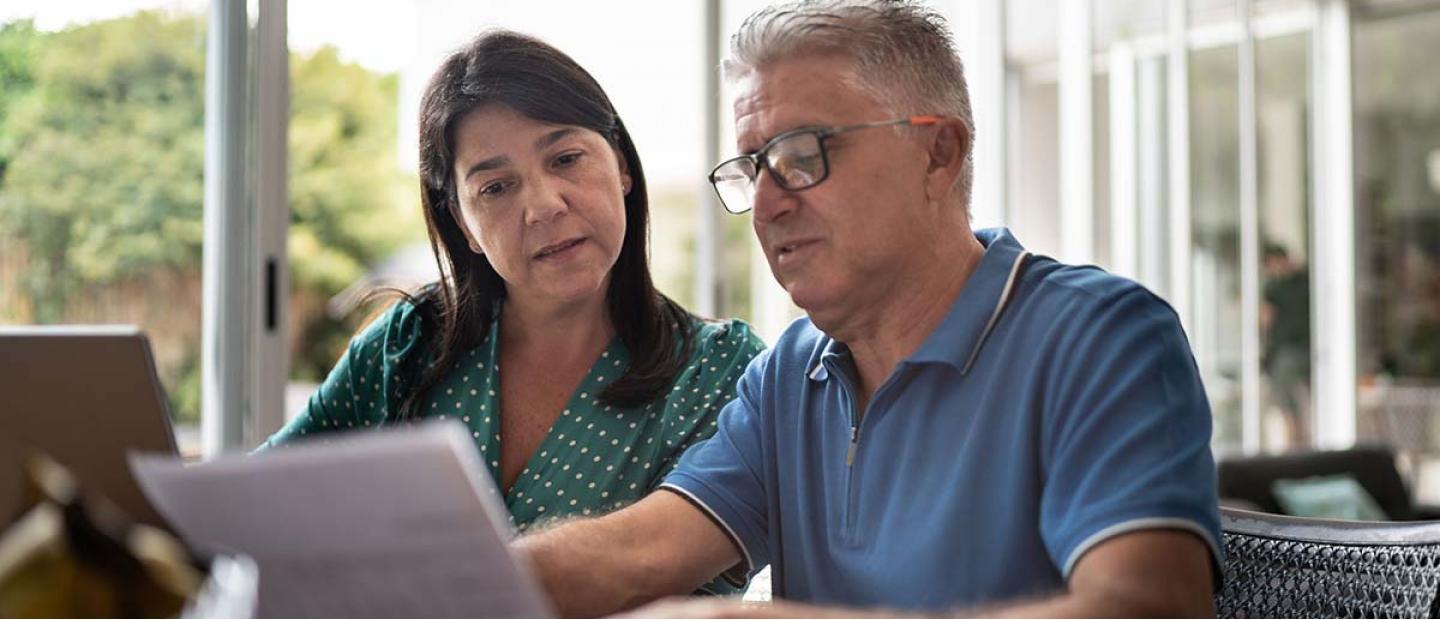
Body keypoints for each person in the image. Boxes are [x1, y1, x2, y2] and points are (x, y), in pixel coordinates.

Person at [514, 1, 1221, 617]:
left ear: (938, 153)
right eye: (753, 167)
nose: (764, 204)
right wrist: (440, 576)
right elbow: (638, 553)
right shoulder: (789, 373)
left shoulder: (1100, 337)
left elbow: (1145, 608)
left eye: (800, 154)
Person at [260, 31, 766, 565]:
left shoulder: (720, 372)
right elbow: (257, 499)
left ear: (620, 165)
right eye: (496, 188)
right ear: (464, 224)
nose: (544, 206)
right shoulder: (406, 345)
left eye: (567, 159)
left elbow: (684, 578)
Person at [1261, 243, 1311, 447]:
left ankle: (1294, 445)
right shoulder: (1307, 281)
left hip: (1288, 352)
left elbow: (1266, 319)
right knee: (1298, 402)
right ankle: (1302, 442)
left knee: (1286, 405)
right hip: (1306, 350)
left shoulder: (1276, 287)